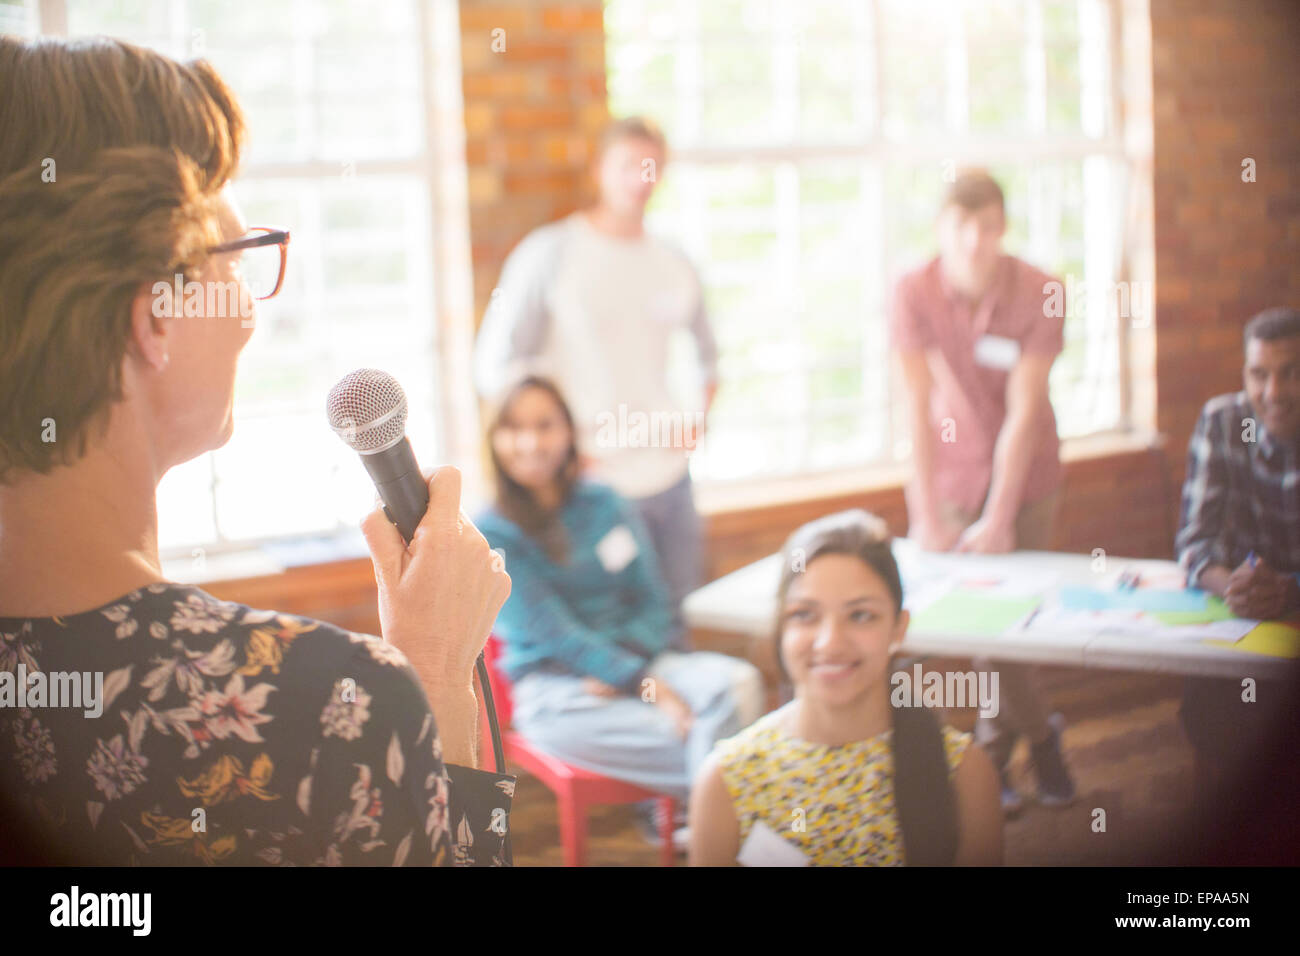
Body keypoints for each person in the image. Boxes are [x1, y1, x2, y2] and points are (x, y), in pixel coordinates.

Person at [0, 35, 512, 866]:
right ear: (154, 316)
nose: (249, 312)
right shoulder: (321, 705)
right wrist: (438, 676)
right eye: (237, 260)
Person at [475, 376, 763, 847]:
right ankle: (719, 829)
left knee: (741, 685)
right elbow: (556, 635)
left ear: (568, 432)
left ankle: (703, 830)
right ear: (494, 438)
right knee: (719, 735)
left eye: (544, 425)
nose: (530, 442)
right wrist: (648, 689)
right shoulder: (492, 531)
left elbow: (653, 600)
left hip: (642, 662)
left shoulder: (606, 502)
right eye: (513, 427)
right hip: (560, 691)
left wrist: (632, 669)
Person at [473, 116, 717, 647]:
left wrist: (699, 418)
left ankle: (671, 715)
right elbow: (497, 365)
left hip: (668, 481)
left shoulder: (674, 261)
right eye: (628, 165)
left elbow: (709, 360)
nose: (641, 178)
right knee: (598, 629)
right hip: (587, 481)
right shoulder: (552, 253)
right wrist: (551, 446)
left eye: (652, 167)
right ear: (599, 171)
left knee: (673, 621)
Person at [890, 168, 1076, 814]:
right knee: (961, 632)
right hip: (950, 472)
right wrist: (924, 512)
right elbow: (915, 404)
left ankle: (1018, 748)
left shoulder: (1042, 291)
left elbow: (1025, 412)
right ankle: (1009, 752)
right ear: (941, 229)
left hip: (1029, 478)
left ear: (1003, 228)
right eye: (961, 226)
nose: (975, 241)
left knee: (1009, 627)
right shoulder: (912, 291)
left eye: (988, 226)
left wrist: (1000, 518)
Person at [688, 510, 1002, 866]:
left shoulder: (963, 773)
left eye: (860, 615)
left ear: (898, 629)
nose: (830, 644)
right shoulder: (726, 782)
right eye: (805, 614)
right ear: (780, 629)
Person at [1174, 306, 1300, 846]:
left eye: (1291, 371)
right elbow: (1194, 543)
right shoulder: (1223, 421)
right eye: (1258, 374)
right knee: (1211, 696)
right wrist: (1233, 585)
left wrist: (1290, 590)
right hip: (1245, 608)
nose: (1273, 391)